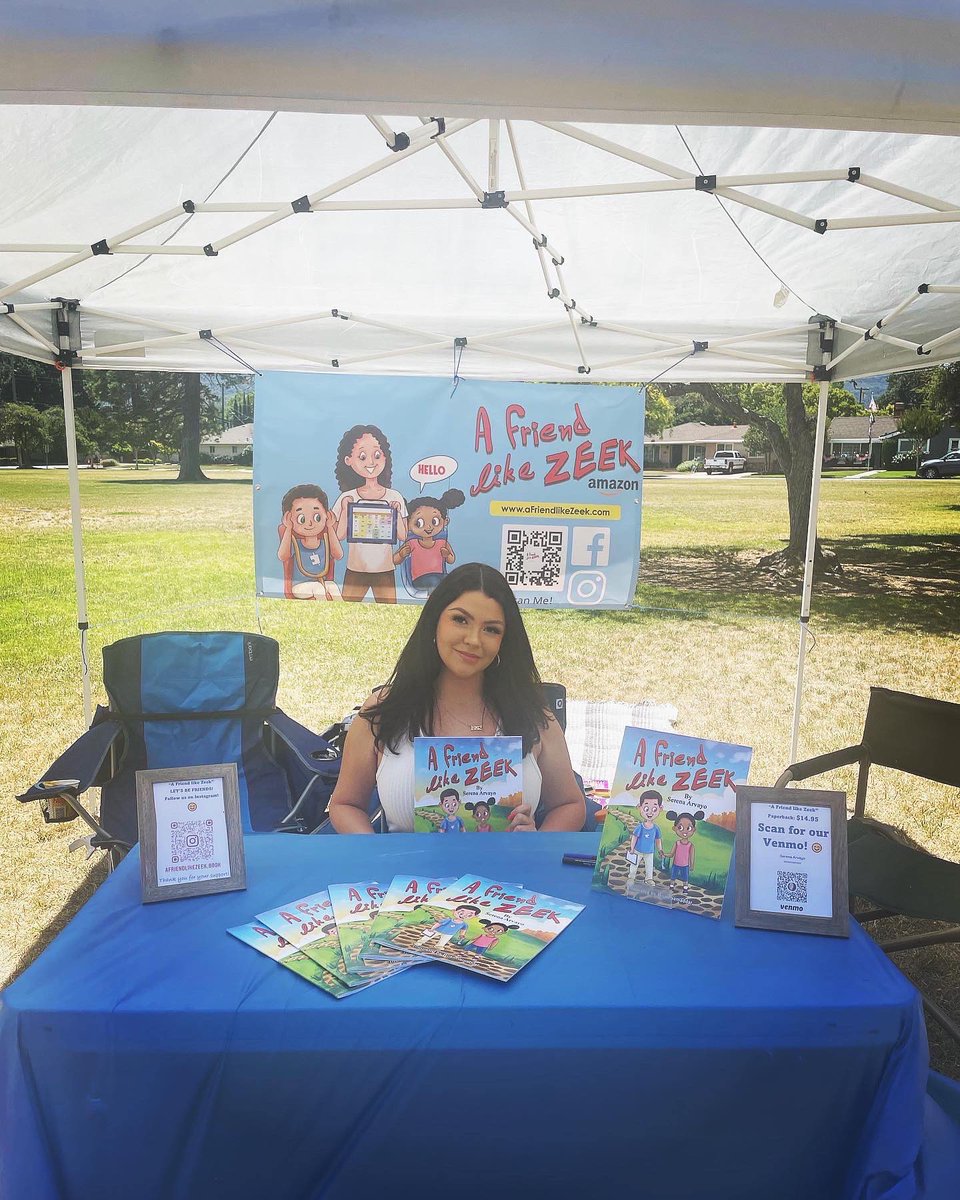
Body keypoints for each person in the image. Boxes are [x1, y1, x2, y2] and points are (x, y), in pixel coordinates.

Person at [328, 562, 586, 833]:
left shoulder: (532, 715)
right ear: (435, 621)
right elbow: (345, 804)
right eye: (460, 620)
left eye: (491, 629)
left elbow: (569, 804)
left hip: (509, 873)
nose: (473, 640)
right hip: (406, 874)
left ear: (504, 641)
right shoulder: (384, 710)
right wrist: (375, 855)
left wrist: (537, 843)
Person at [330, 424, 407, 603]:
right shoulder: (347, 497)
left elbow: (403, 535)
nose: (371, 462)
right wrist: (344, 509)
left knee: (389, 611)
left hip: (385, 569)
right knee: (346, 612)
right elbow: (339, 535)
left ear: (385, 457)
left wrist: (396, 512)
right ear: (348, 460)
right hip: (356, 568)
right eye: (362, 456)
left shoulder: (394, 496)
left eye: (377, 455)